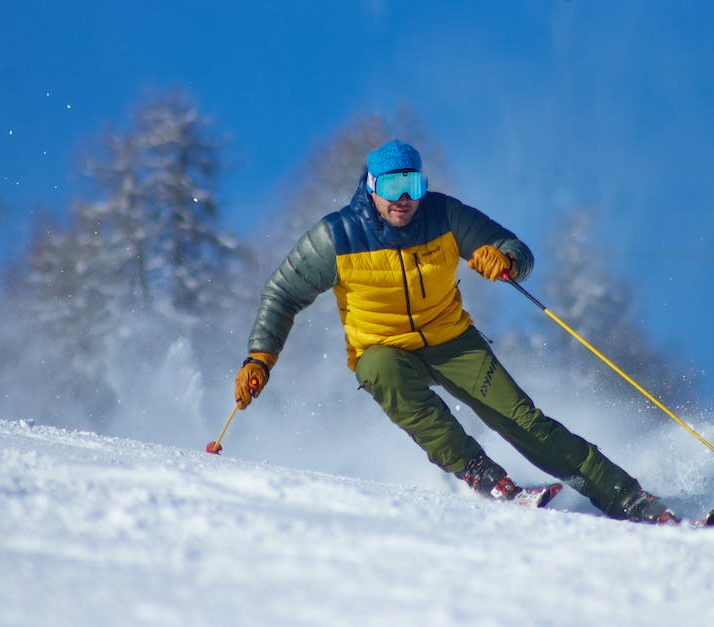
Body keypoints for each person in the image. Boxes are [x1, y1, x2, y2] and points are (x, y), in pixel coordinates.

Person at [235, 139, 674, 523]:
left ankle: (627, 497)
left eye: (413, 185)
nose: (403, 198)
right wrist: (260, 358)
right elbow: (281, 293)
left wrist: (504, 260)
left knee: (525, 423)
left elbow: (514, 248)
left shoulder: (443, 215)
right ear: (371, 187)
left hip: (452, 341)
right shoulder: (337, 237)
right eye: (391, 187)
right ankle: (484, 475)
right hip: (383, 349)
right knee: (382, 370)